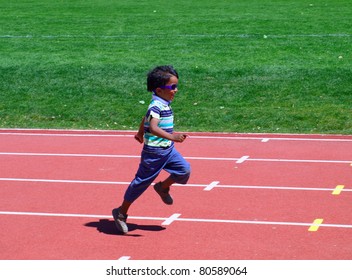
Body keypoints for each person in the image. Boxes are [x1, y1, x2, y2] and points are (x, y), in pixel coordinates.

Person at [112, 65, 191, 234]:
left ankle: (162, 187)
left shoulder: (163, 102)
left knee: (184, 170)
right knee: (141, 183)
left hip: (168, 150)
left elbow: (145, 118)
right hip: (154, 153)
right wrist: (173, 137)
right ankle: (121, 212)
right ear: (159, 89)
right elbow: (154, 127)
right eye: (173, 87)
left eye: (177, 86)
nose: (176, 90)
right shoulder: (156, 105)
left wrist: (140, 132)